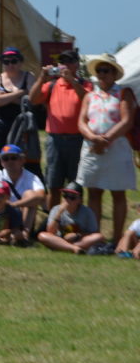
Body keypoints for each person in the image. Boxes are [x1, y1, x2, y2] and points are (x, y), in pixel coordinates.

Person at [75, 53, 137, 244]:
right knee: (94, 192)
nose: (102, 74)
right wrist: (93, 138)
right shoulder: (90, 95)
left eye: (107, 70)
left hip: (116, 149)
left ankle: (117, 237)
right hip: (92, 147)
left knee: (118, 193)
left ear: (114, 73)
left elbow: (127, 121)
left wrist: (106, 140)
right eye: (100, 71)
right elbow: (81, 121)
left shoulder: (124, 93)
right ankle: (96, 236)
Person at [29, 49, 91, 209]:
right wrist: (42, 78)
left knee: (76, 184)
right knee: (54, 184)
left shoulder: (85, 84)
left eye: (70, 61)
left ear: (77, 64)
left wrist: (73, 81)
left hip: (77, 139)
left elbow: (88, 100)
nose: (66, 65)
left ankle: (76, 220)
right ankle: (52, 220)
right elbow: (33, 99)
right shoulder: (52, 85)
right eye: (62, 62)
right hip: (55, 140)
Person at [0, 47, 37, 170]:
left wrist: (5, 98)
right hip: (3, 123)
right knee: (2, 156)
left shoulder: (28, 76)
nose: (10, 65)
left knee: (23, 157)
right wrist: (20, 93)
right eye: (6, 62)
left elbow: (31, 100)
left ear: (20, 62)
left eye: (14, 61)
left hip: (22, 124)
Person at [36, 182, 104, 254]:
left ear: (80, 200)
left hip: (79, 240)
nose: (67, 199)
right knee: (42, 236)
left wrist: (77, 235)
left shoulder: (87, 212)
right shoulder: (56, 209)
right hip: (59, 239)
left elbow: (94, 233)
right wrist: (59, 213)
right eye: (65, 196)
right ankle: (74, 248)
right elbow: (50, 232)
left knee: (99, 237)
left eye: (72, 197)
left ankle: (60, 247)